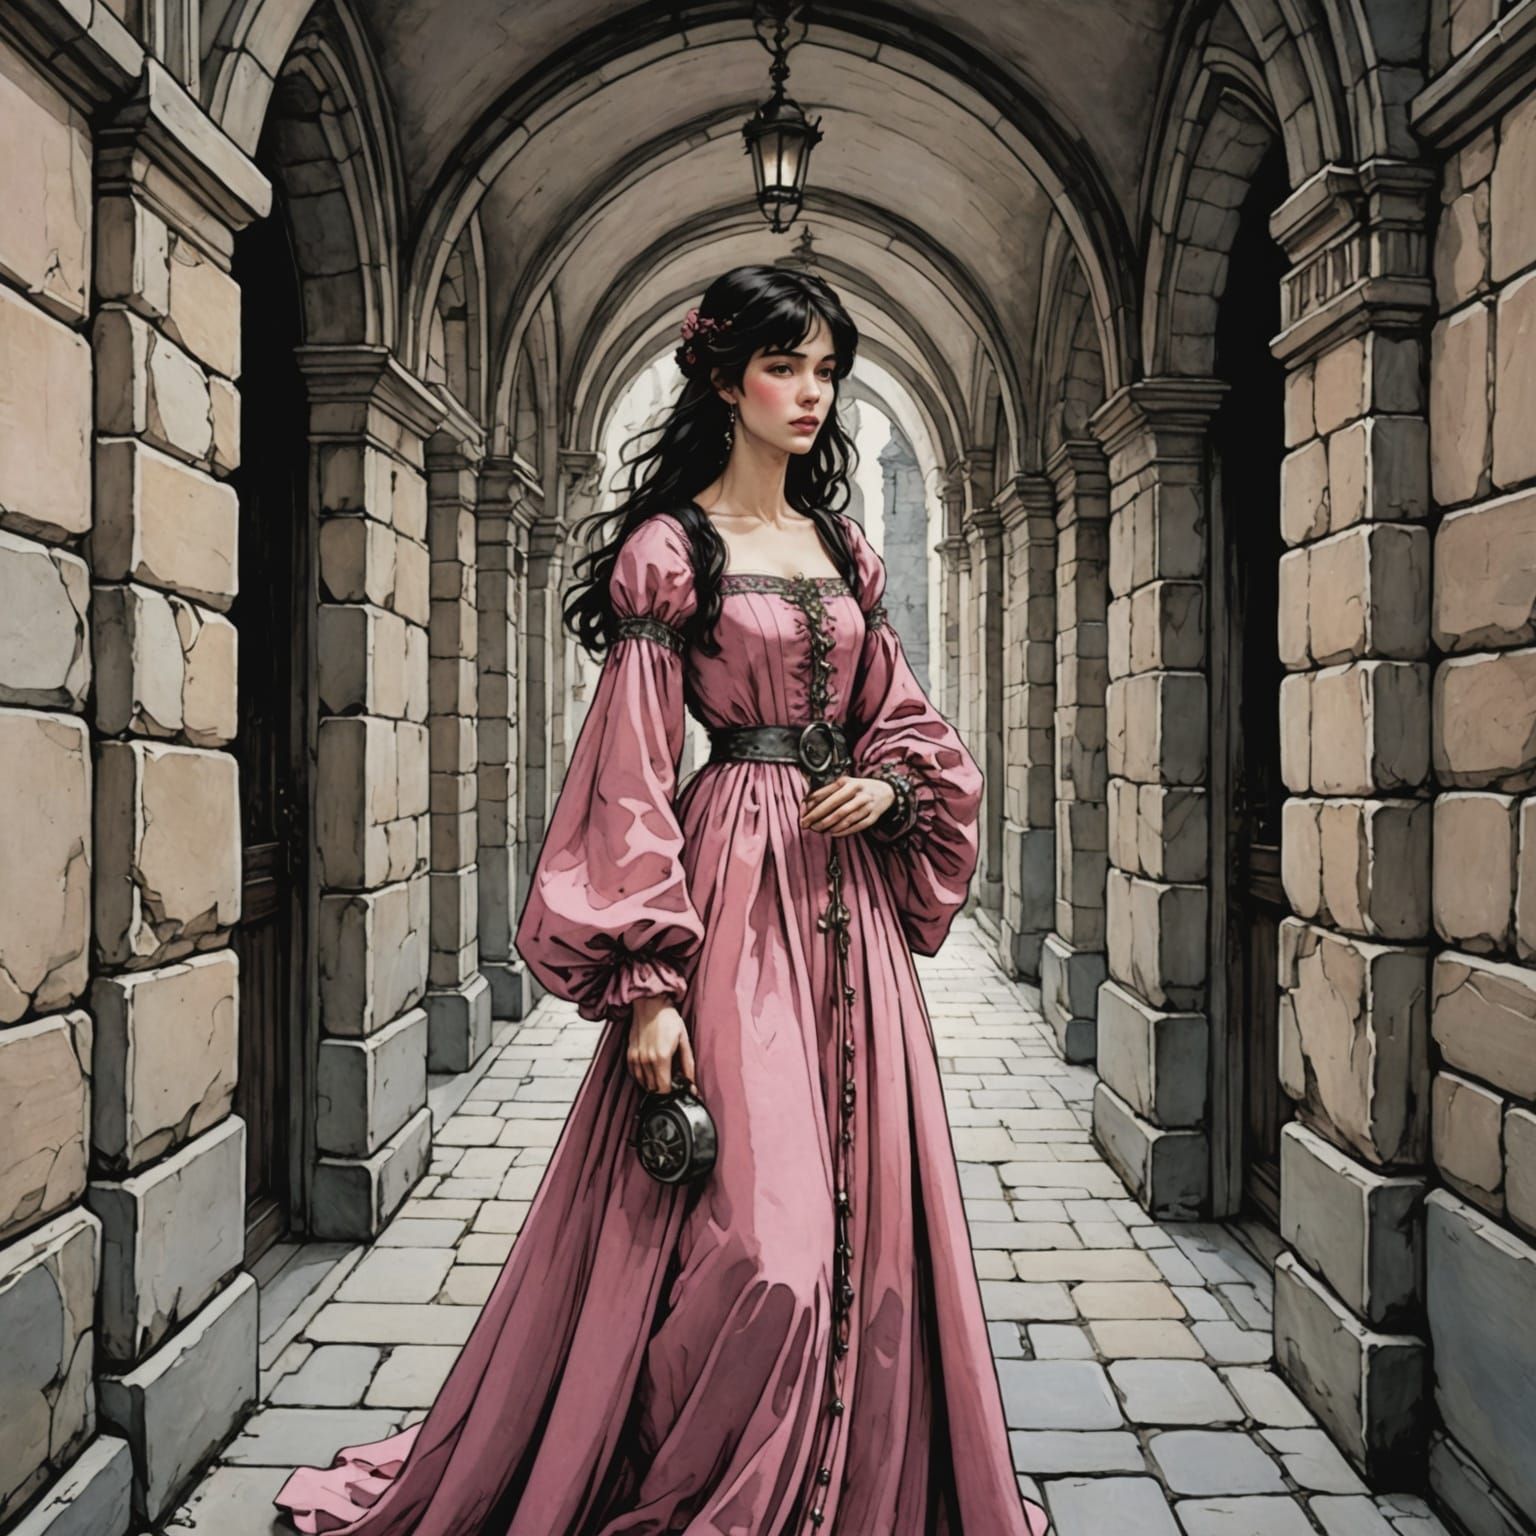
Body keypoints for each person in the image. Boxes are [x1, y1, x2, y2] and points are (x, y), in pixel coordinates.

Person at [274, 264, 1050, 1535]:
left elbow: (900, 716)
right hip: (730, 897)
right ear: (725, 380)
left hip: (847, 914)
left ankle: (843, 1486)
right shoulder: (669, 554)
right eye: (785, 367)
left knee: (873, 1235)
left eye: (827, 370)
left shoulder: (846, 549)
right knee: (762, 1253)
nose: (812, 393)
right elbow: (629, 774)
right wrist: (646, 983)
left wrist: (893, 789)